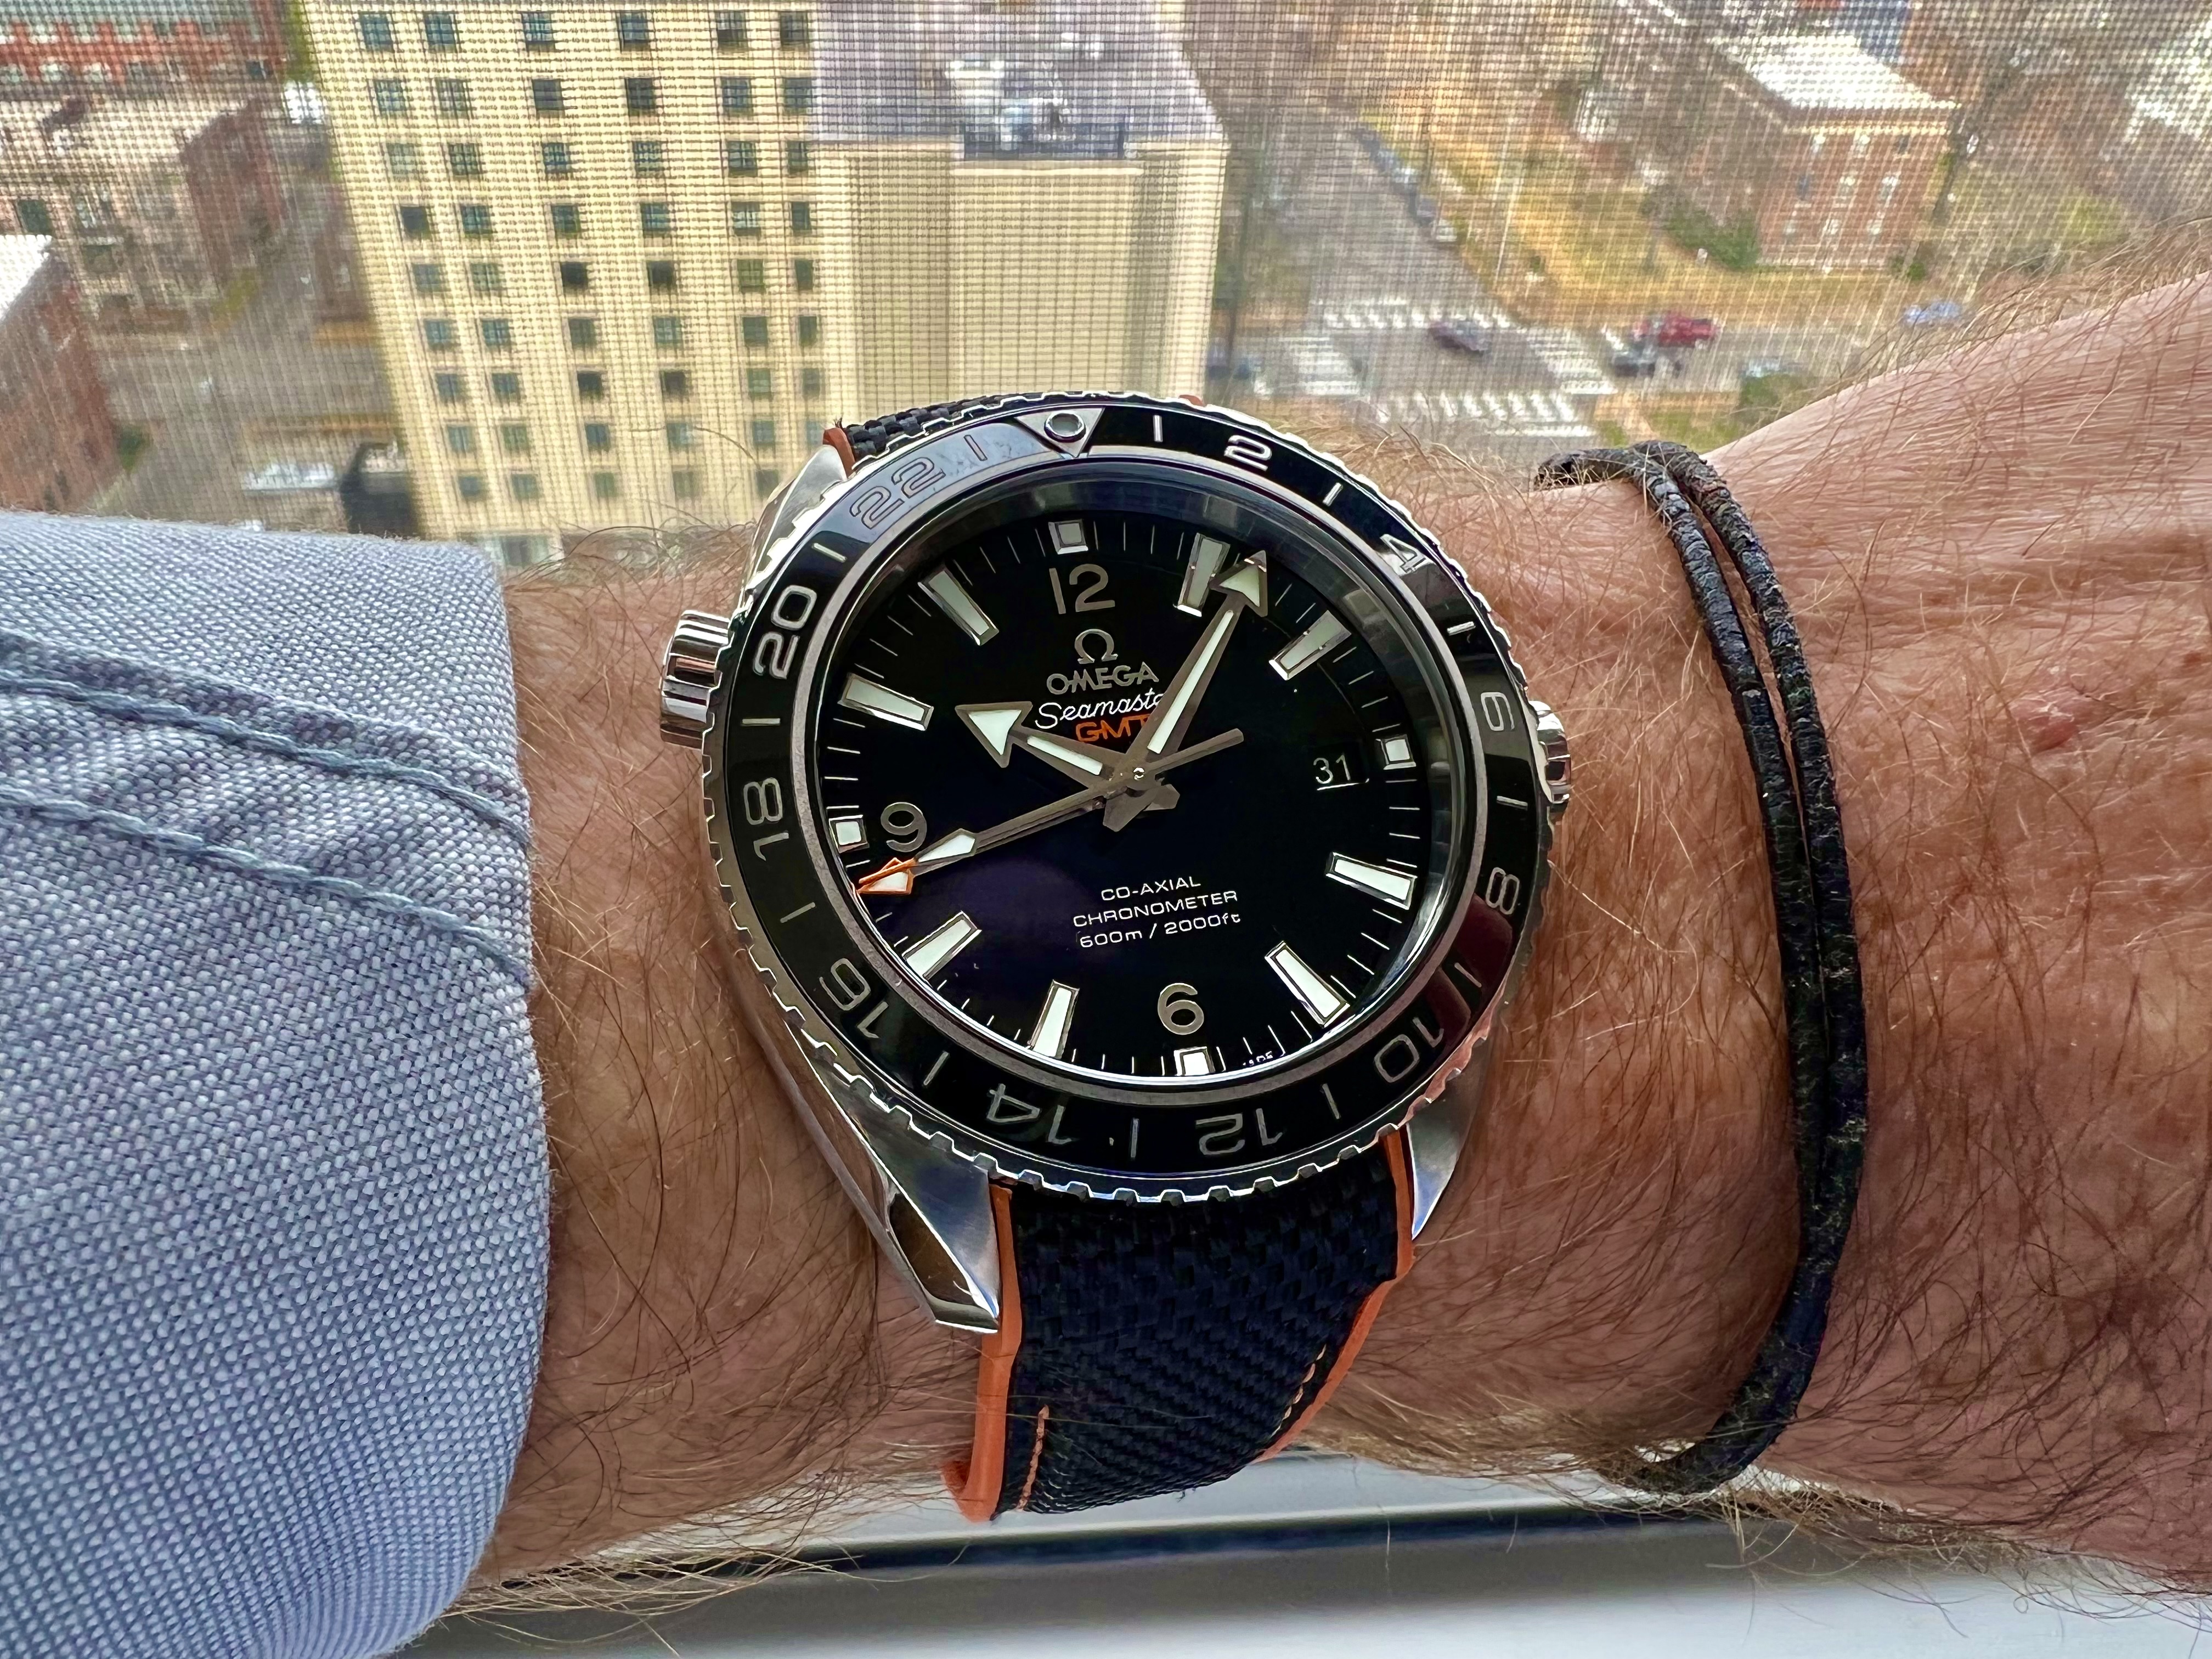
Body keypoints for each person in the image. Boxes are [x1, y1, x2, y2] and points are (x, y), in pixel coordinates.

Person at [4, 273, 2208, 1658]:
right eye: (1107, 770)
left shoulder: (1439, 890)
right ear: (728, 697)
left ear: (1514, 749)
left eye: (1153, 756)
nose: (1136, 783)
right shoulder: (826, 842)